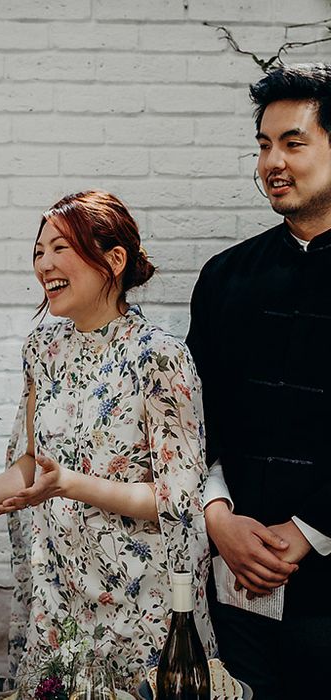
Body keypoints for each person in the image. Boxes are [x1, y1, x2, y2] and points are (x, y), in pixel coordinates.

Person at [0, 191, 215, 691]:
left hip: (142, 604)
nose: (44, 264)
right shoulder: (42, 348)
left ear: (113, 261)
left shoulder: (161, 358)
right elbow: (35, 461)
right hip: (61, 600)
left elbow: (176, 499)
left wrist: (72, 484)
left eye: (60, 248)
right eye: (38, 251)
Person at [187, 63, 331, 699]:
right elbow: (190, 420)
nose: (273, 161)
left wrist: (306, 531)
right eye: (264, 144)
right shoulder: (226, 278)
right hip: (238, 589)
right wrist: (218, 517)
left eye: (293, 142)